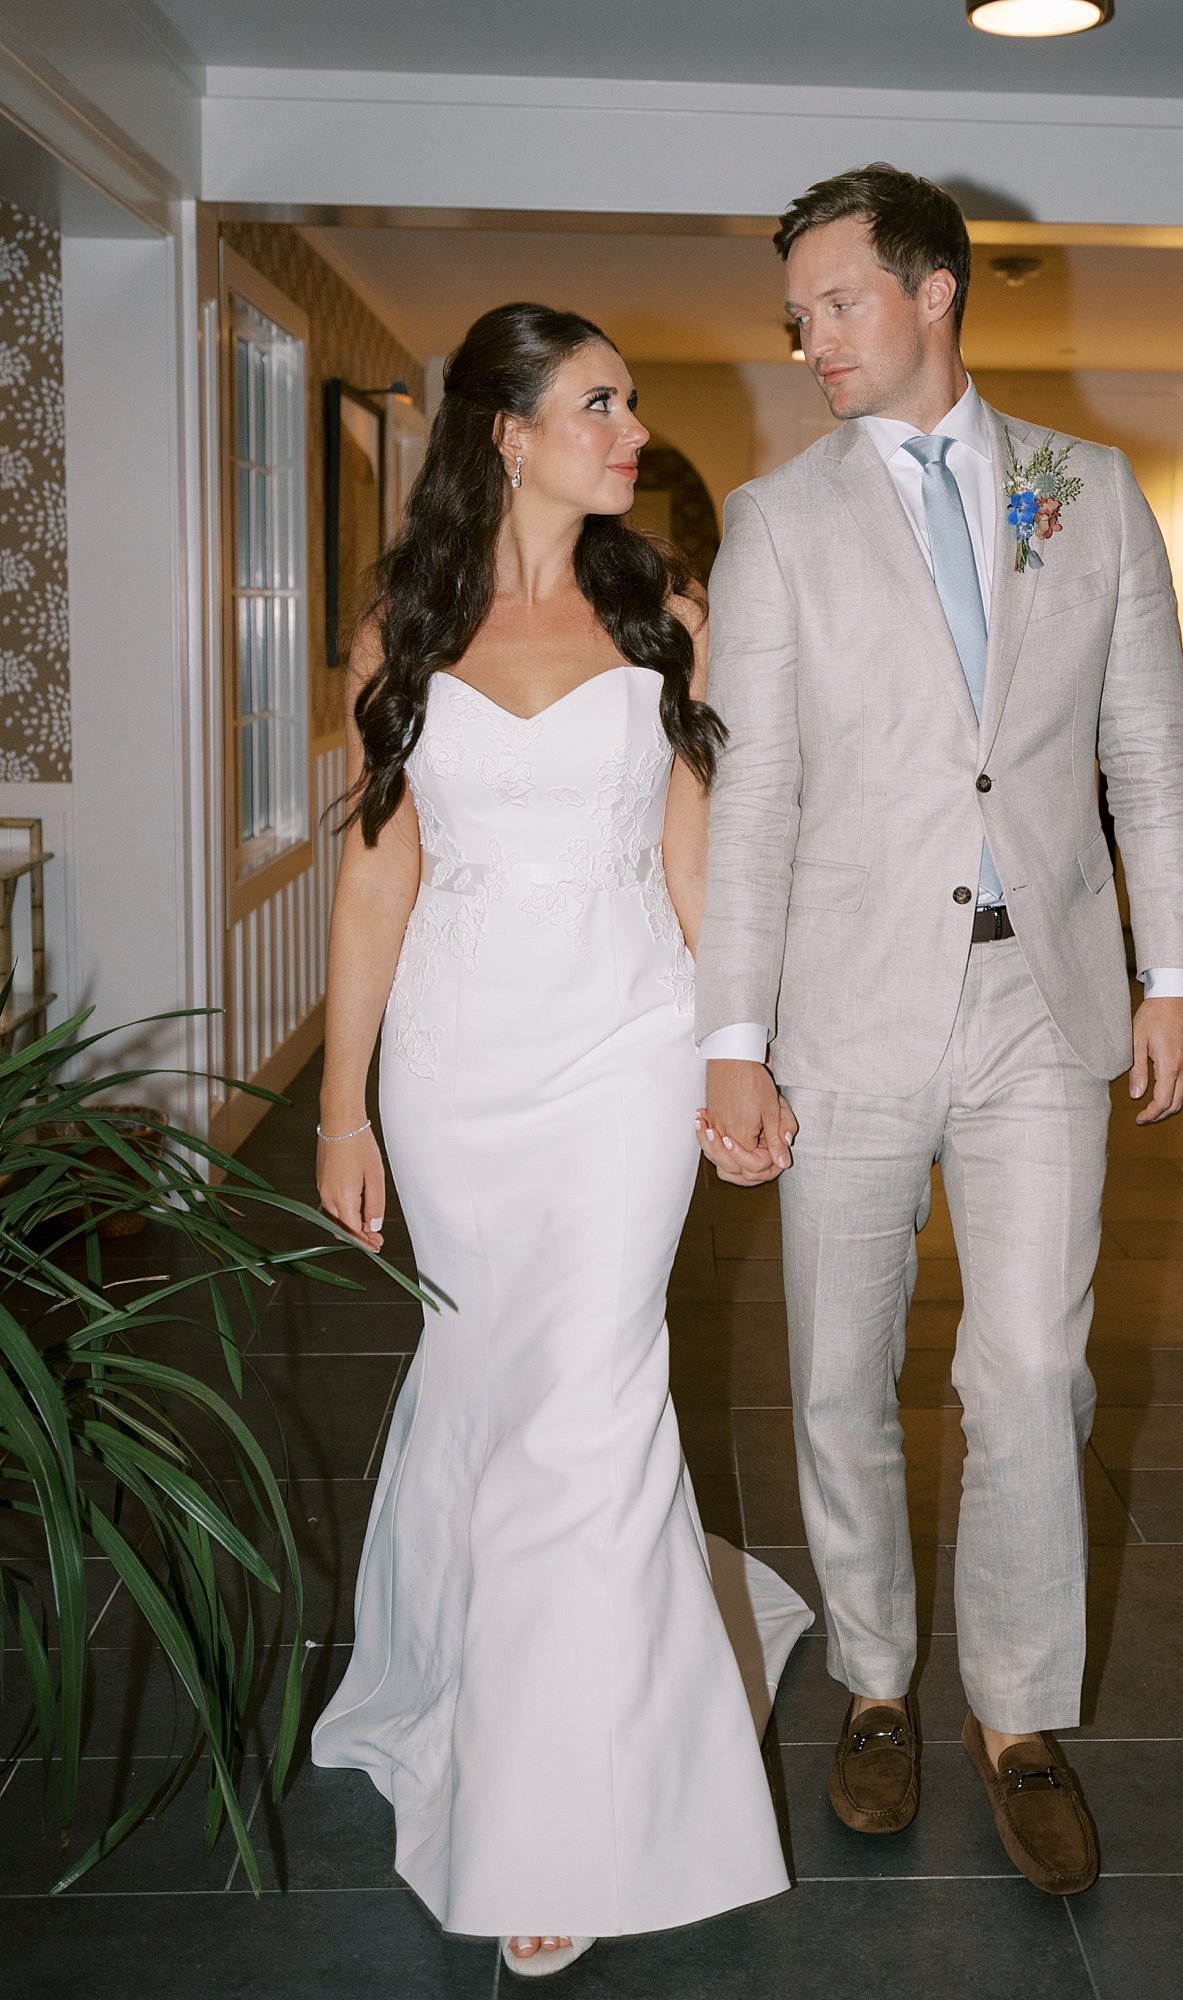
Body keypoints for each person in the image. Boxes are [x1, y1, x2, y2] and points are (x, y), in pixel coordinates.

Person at [694, 165, 1183, 1896]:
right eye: (799, 316)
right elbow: (753, 794)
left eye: (837, 302)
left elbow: (1146, 749)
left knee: (1030, 1373)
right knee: (838, 1376)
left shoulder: (1091, 491)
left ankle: (1018, 1711)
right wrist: (735, 1036)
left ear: (932, 293)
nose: (812, 339)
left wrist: (1177, 975)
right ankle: (876, 1683)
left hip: (1039, 998)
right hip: (841, 1008)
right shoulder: (775, 523)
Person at [310, 302, 811, 1978]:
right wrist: (341, 1106)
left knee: (594, 1404)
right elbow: (379, 874)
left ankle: (553, 1818)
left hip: (623, 1048)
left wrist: (736, 1061)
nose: (631, 429)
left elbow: (695, 862)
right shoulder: (402, 630)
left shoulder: (666, 614)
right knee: (493, 1387)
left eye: (632, 404)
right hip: (457, 1068)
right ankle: (469, 1672)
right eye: (598, 404)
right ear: (508, 435)